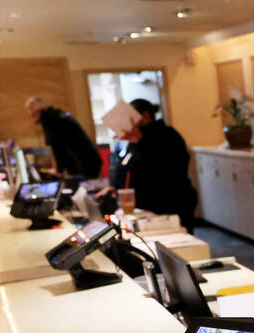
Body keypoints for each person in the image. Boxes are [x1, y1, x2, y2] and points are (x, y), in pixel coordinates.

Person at [106, 98, 198, 232]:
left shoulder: (167, 135)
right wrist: (114, 186)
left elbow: (163, 169)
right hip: (144, 209)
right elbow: (127, 167)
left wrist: (139, 140)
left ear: (145, 117)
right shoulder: (136, 141)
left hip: (170, 204)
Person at [24, 96, 102, 179]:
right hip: (89, 159)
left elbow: (58, 148)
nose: (34, 119)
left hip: (84, 163)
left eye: (33, 115)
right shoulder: (55, 114)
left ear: (37, 111)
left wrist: (59, 170)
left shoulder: (50, 120)